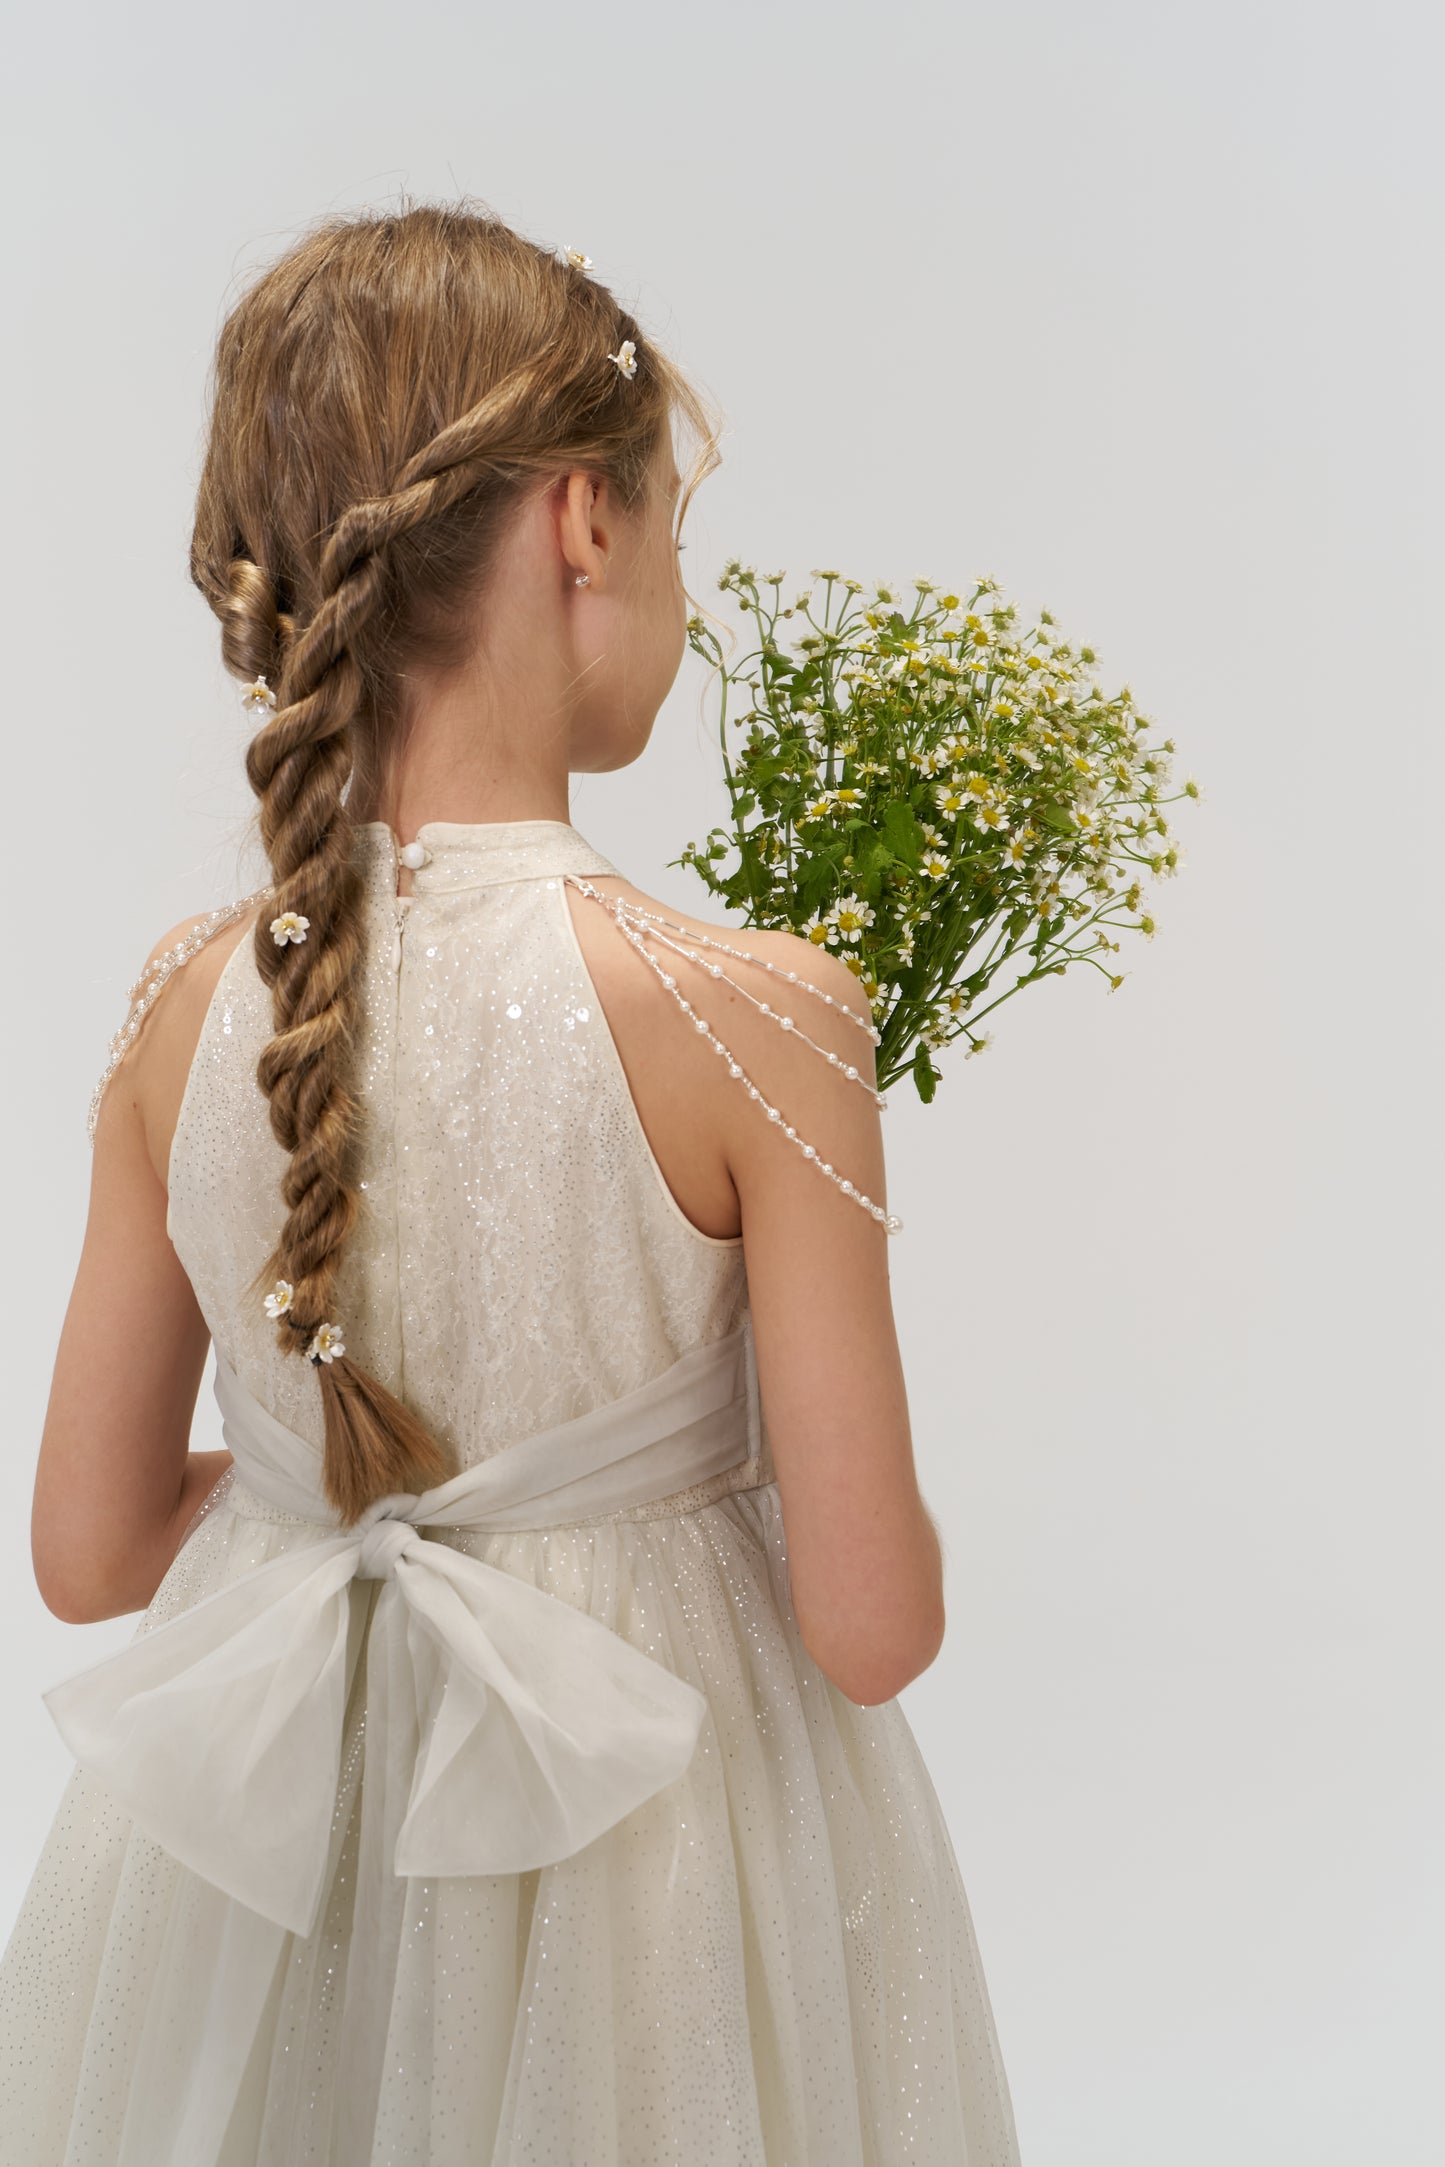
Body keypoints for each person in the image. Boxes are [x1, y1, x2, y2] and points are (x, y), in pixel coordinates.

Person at [0, 199, 1022, 2166]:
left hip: (272, 1860)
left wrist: (350, 1503)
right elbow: (870, 1619)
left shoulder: (181, 1006)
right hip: (659, 1872)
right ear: (582, 519)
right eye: (675, 525)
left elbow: (91, 1548)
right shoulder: (757, 1017)